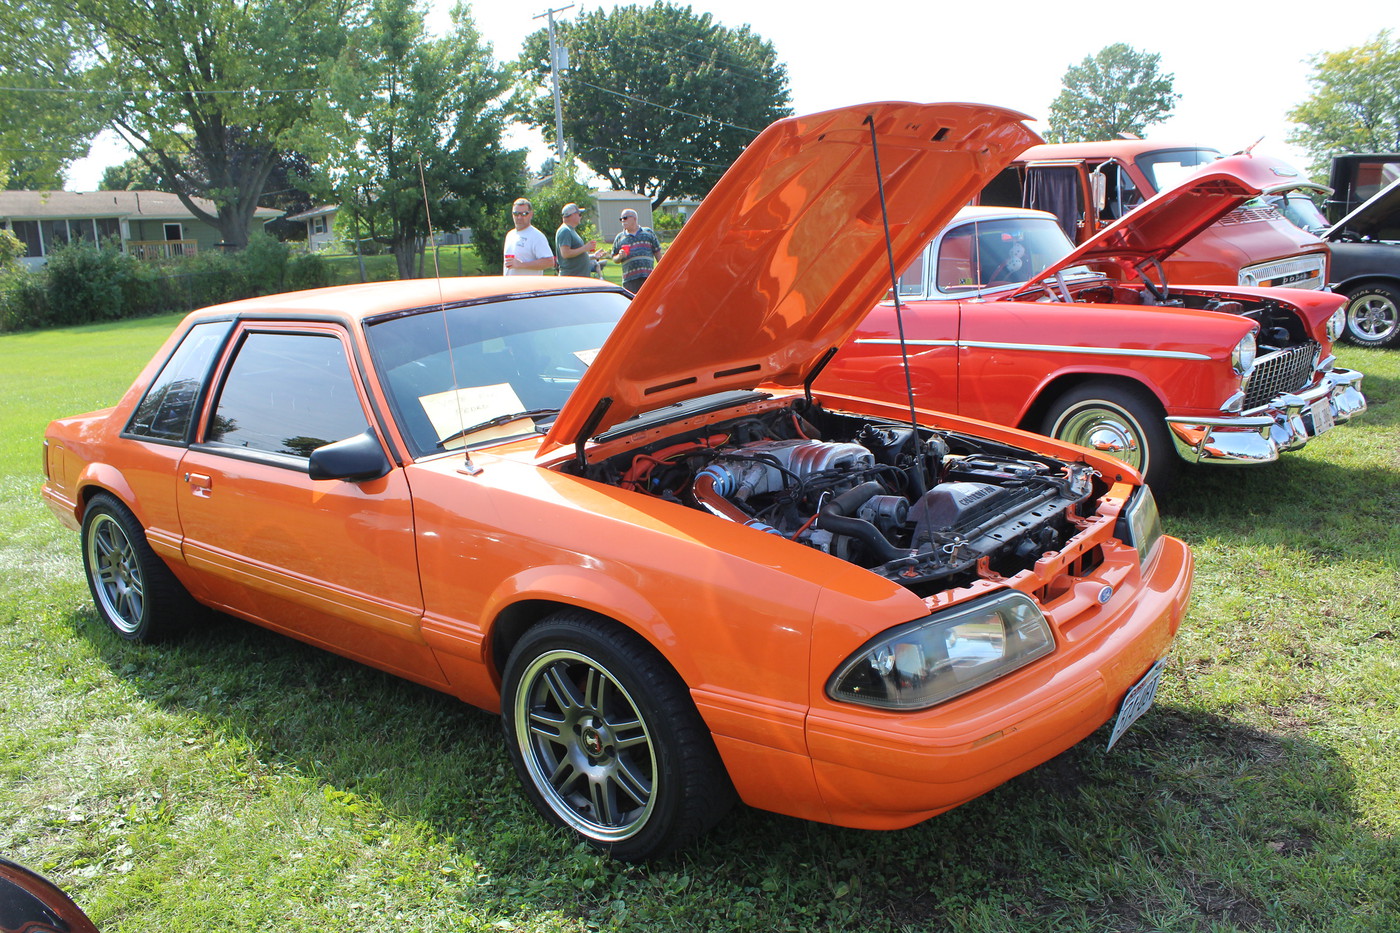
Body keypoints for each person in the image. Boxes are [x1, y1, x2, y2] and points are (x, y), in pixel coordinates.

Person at [611, 209, 663, 294]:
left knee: (649, 302)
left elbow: (657, 253)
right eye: (621, 219)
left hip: (648, 277)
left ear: (634, 219)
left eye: (625, 218)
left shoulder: (648, 233)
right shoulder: (620, 237)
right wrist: (619, 256)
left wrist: (662, 272)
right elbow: (614, 258)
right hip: (630, 280)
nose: (623, 221)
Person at [503, 198, 554, 275]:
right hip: (510, 286)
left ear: (531, 214)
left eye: (524, 214)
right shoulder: (510, 235)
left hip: (530, 286)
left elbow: (549, 262)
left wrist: (521, 265)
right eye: (516, 214)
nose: (519, 217)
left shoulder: (537, 236)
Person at [555, 202, 603, 278]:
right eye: (579, 214)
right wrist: (585, 248)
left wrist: (593, 256)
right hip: (571, 279)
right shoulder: (565, 230)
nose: (580, 217)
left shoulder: (571, 230)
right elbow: (565, 253)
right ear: (573, 215)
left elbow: (576, 255)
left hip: (578, 278)